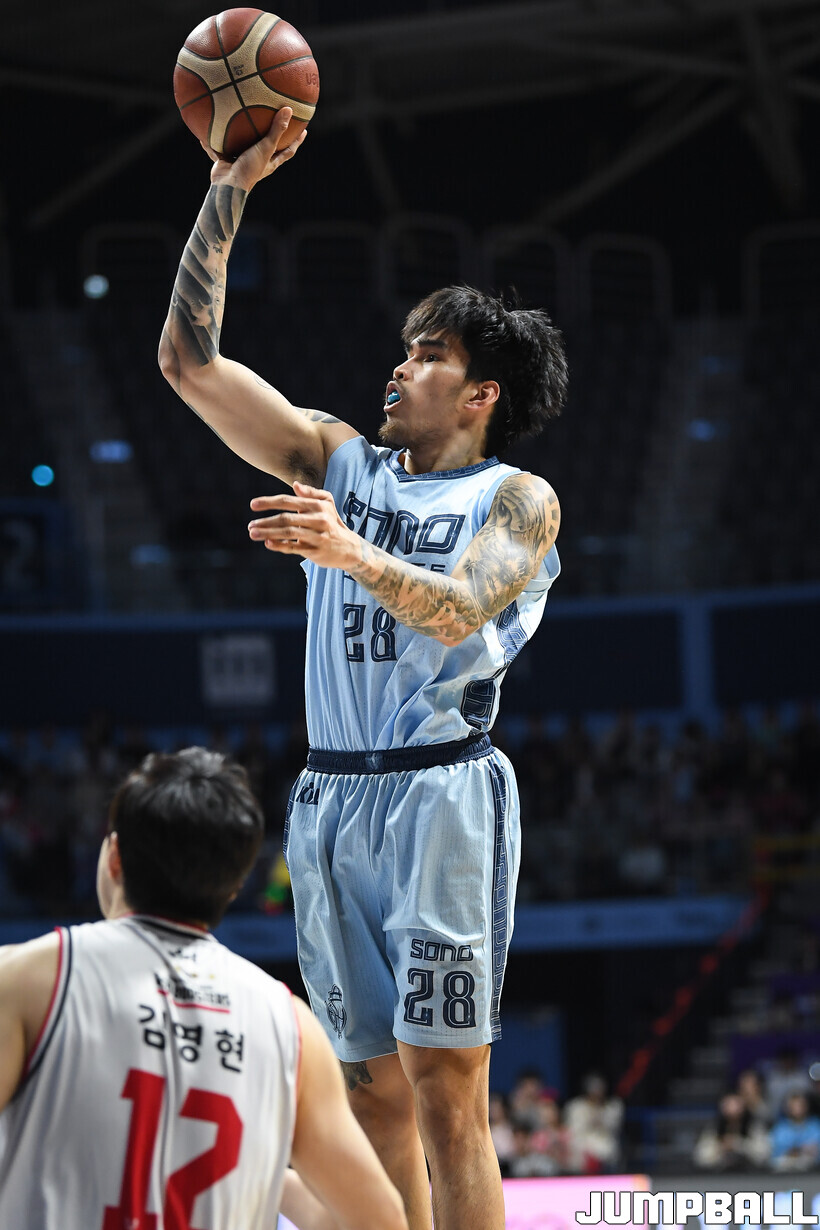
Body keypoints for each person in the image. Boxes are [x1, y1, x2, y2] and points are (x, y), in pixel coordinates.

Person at [159, 108, 566, 1230]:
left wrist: (346, 551)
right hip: (333, 796)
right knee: (369, 1097)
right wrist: (229, 187)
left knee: (448, 1094)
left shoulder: (515, 499)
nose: (402, 365)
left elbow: (459, 609)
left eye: (430, 355)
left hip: (443, 795)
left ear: (480, 395)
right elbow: (189, 362)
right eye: (405, 346)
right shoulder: (342, 460)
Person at [0, 748, 406, 1230]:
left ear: (114, 859)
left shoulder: (30, 978)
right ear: (233, 886)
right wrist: (259, 1173)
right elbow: (380, 1221)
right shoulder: (290, 1025)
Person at [692, 1092, 770, 1171]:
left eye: (736, 1105)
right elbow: (701, 1157)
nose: (732, 1109)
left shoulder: (753, 1127)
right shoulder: (714, 1129)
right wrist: (721, 1147)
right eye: (728, 1105)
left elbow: (763, 1154)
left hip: (751, 1174)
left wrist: (737, 1144)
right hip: (719, 1174)